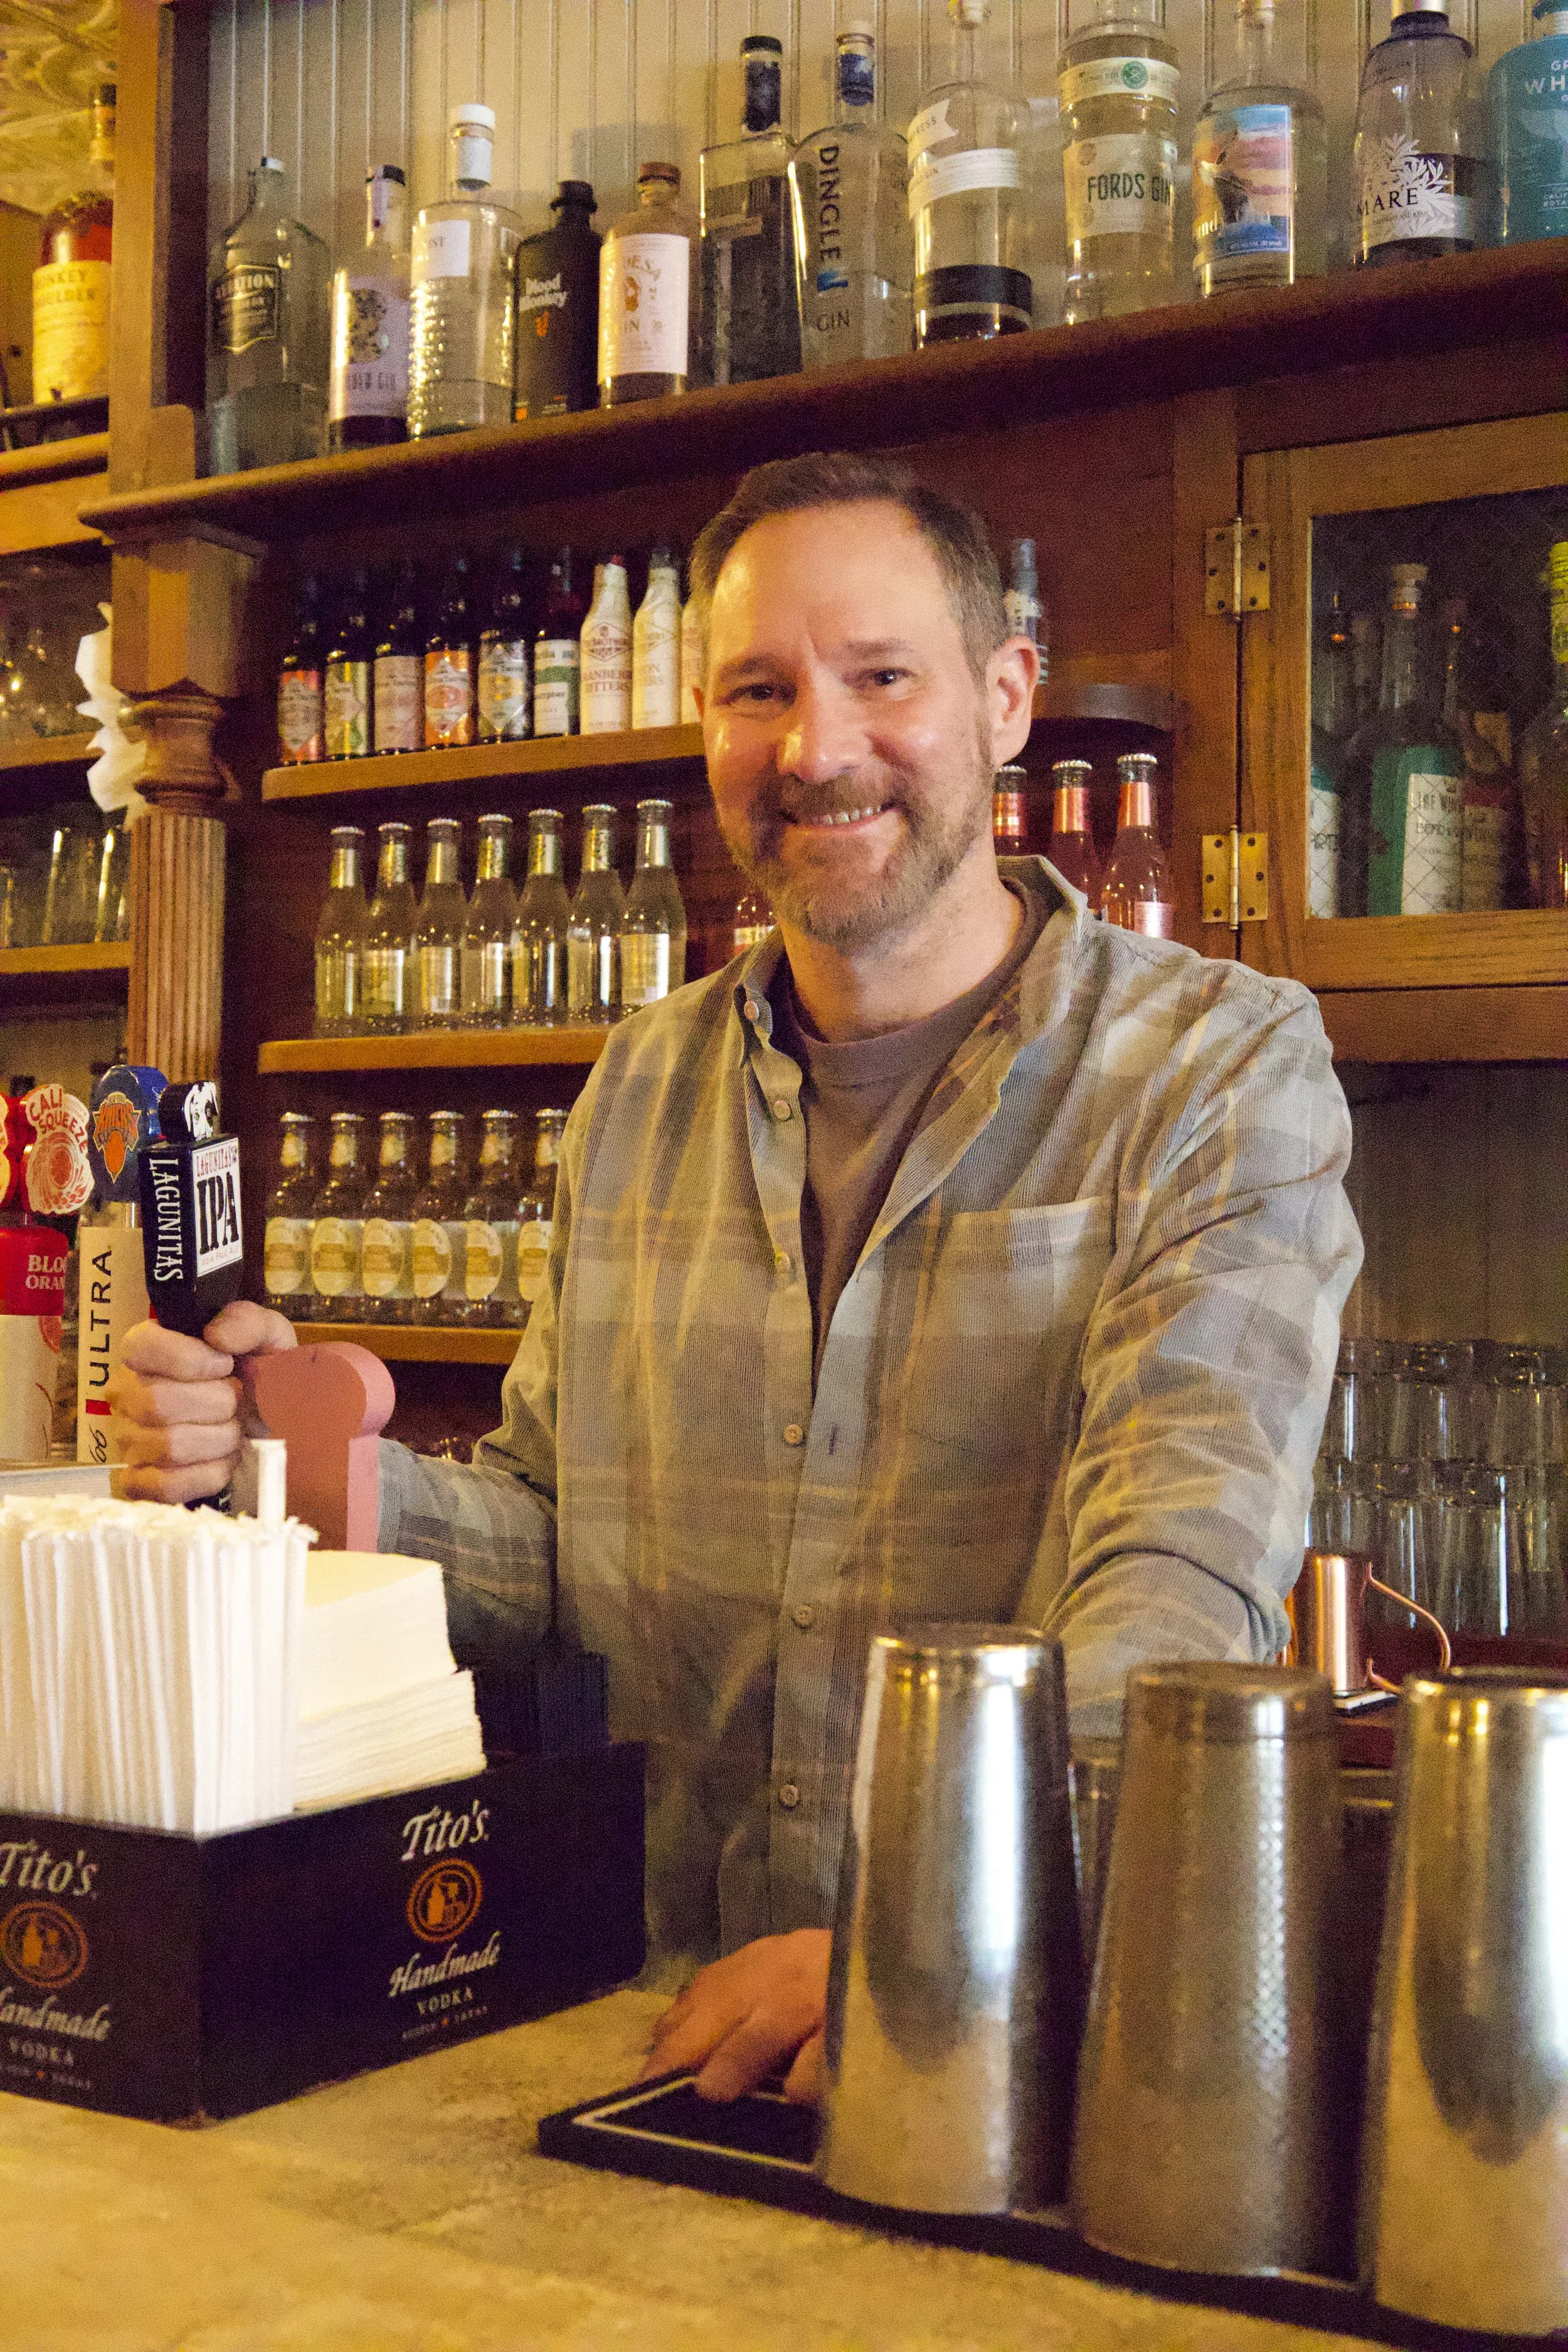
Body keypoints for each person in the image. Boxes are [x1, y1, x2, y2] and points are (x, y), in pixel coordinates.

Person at [112, 450, 1361, 2109]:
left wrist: (914, 1942)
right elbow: (558, 1550)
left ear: (1004, 699)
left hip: (994, 2069)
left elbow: (1174, 1605)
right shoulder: (643, 1081)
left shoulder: (1214, 1068)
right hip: (623, 2029)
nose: (816, 746)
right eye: (757, 688)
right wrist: (290, 1460)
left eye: (881, 677)